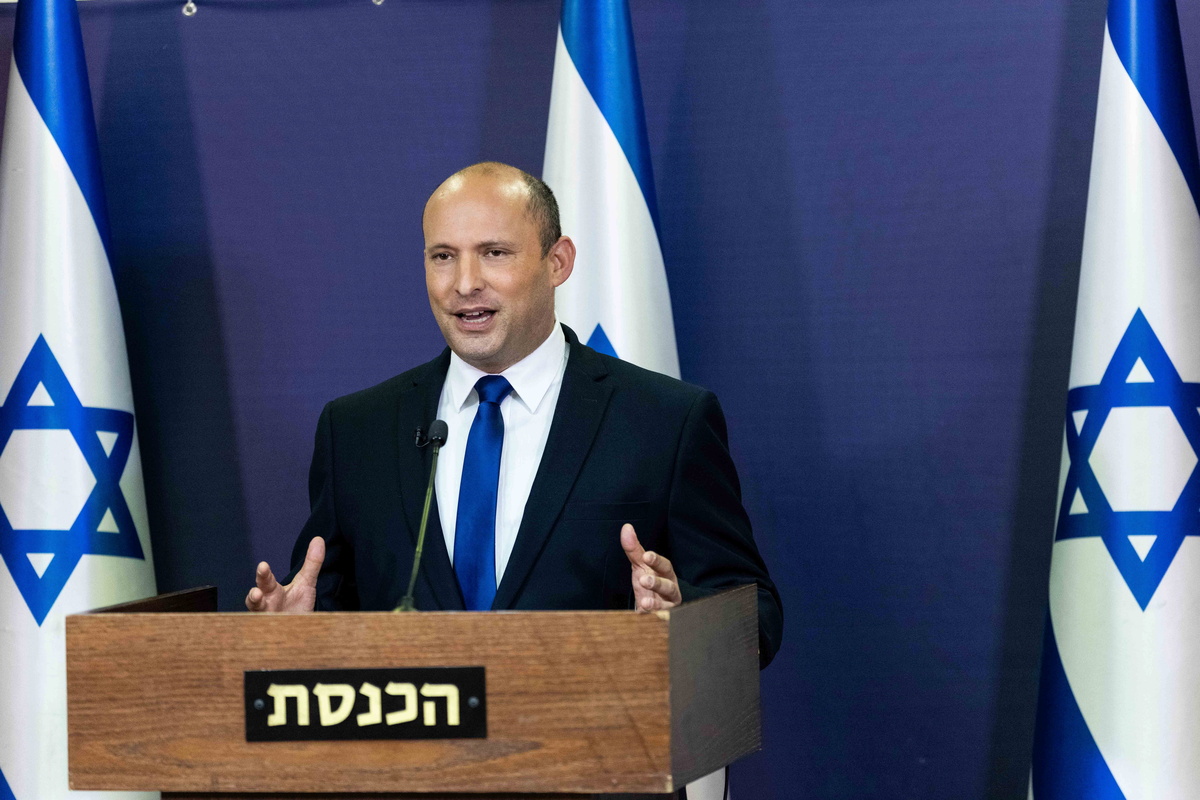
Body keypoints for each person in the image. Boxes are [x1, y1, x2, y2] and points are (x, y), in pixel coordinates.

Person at [245, 162, 783, 669]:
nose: (465, 283)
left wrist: (682, 614)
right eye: (443, 256)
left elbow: (756, 616)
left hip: (591, 732)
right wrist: (296, 635)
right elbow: (328, 602)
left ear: (558, 262)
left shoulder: (664, 421)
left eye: (495, 253)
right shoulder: (357, 431)